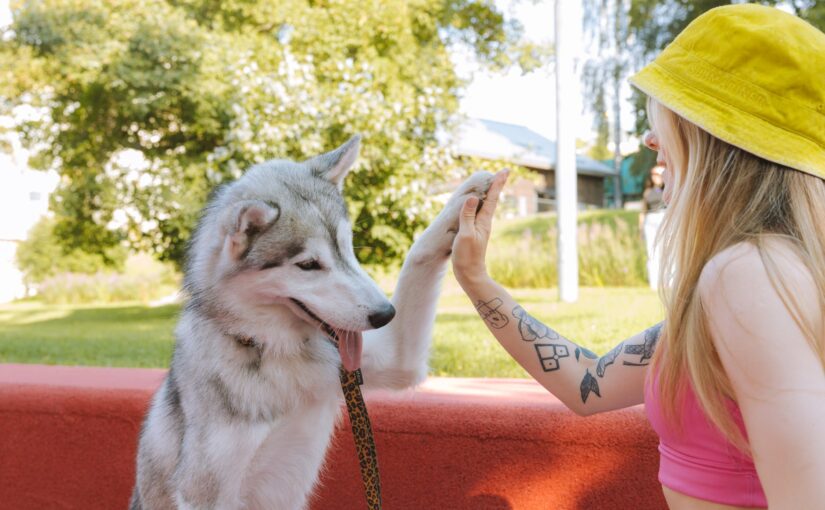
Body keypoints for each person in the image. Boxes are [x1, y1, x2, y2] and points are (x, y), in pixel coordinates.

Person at [451, 4, 824, 510]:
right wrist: (476, 279)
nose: (650, 140)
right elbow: (588, 383)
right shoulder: (755, 277)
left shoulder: (749, 276)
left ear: (719, 137)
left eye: (671, 113)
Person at [639, 164, 666, 290]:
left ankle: (668, 282)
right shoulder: (648, 192)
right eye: (654, 174)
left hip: (664, 218)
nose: (656, 177)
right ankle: (654, 283)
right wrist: (640, 229)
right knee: (652, 252)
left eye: (659, 174)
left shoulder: (668, 190)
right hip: (650, 220)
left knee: (667, 251)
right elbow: (643, 211)